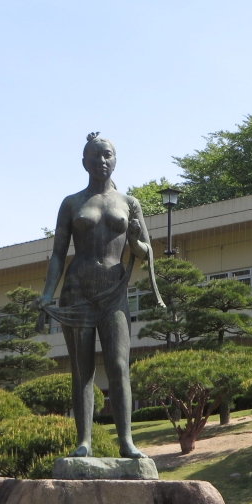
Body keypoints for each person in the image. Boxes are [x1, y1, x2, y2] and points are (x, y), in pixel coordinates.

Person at [39, 132, 163, 458]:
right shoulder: (72, 203)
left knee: (119, 366)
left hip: (113, 291)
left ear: (115, 159)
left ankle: (126, 441)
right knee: (82, 370)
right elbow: (57, 254)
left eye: (106, 155)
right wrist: (46, 294)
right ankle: (84, 441)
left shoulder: (129, 203)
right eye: (94, 156)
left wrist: (135, 241)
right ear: (84, 163)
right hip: (78, 290)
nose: (101, 161)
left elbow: (146, 252)